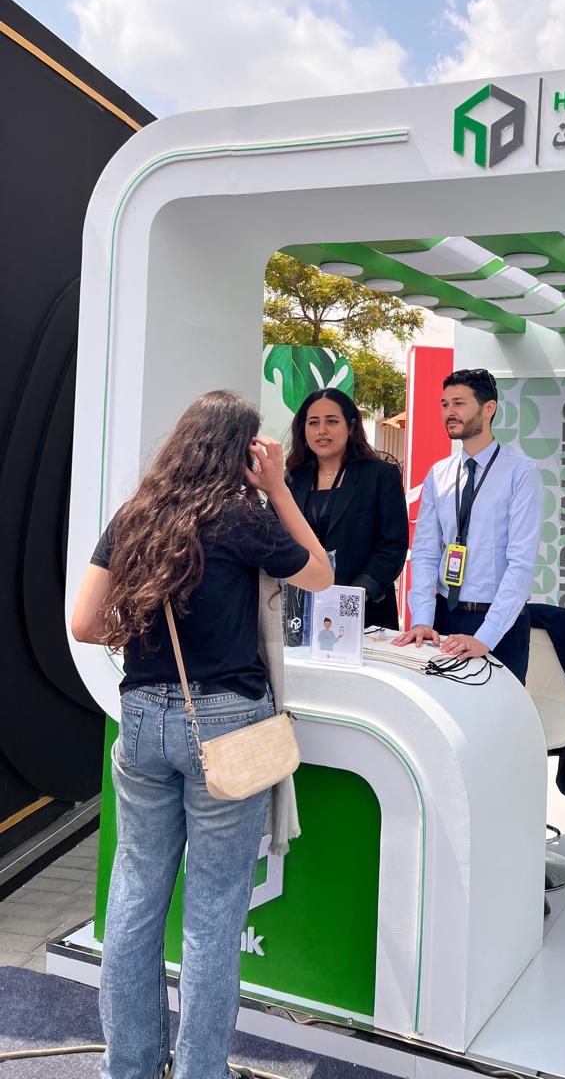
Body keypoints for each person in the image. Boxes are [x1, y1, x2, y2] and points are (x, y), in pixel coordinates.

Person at [70, 390, 333, 1079]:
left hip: (141, 720)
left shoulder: (135, 514)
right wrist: (278, 489)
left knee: (134, 898)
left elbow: (85, 624)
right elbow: (321, 574)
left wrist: (143, 632)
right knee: (213, 916)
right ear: (241, 452)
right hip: (227, 727)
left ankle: (129, 1066)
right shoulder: (241, 516)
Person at [394, 368, 543, 681]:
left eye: (459, 403)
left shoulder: (520, 473)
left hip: (498, 625)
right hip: (445, 620)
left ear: (489, 409)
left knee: (497, 710)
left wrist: (486, 636)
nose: (449, 412)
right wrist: (422, 619)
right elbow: (425, 552)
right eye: (445, 404)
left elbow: (520, 564)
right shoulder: (439, 473)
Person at [284, 388, 408, 630]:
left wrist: (352, 597)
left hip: (365, 611)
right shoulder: (291, 480)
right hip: (300, 612)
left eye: (332, 421)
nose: (321, 430)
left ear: (351, 427)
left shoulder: (381, 475)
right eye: (313, 422)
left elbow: (392, 547)